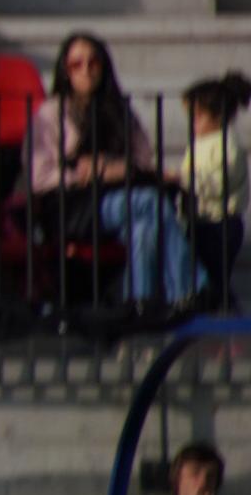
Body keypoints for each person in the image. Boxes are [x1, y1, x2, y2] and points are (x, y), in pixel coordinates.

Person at [27, 29, 200, 322]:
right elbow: (39, 177)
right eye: (76, 64)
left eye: (94, 62)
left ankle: (139, 312)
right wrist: (84, 174)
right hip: (75, 206)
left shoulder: (120, 111)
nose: (86, 70)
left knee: (144, 229)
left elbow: (143, 160)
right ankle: (193, 290)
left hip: (123, 199)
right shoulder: (50, 113)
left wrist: (119, 168)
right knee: (149, 202)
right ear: (65, 71)